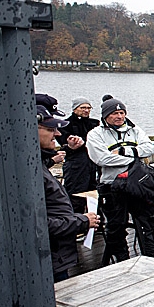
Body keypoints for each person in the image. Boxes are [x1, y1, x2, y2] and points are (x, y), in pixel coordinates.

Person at [86, 98, 154, 262]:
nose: (119, 116)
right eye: (115, 113)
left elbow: (149, 148)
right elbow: (102, 159)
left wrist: (124, 152)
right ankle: (122, 259)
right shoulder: (95, 134)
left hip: (138, 185)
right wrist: (135, 159)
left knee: (153, 222)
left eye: (122, 113)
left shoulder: (135, 130)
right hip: (112, 186)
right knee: (116, 226)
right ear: (106, 116)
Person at [38, 105, 99, 281]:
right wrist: (81, 221)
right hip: (48, 256)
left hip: (57, 256)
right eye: (50, 129)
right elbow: (37, 224)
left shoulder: (38, 164)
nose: (57, 134)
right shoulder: (27, 172)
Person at [62, 97, 100, 213]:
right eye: (83, 108)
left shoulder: (95, 123)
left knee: (94, 194)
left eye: (88, 108)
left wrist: (83, 141)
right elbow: (63, 145)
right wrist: (71, 145)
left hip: (93, 163)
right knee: (75, 195)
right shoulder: (65, 125)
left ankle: (97, 223)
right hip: (75, 165)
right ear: (75, 109)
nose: (86, 110)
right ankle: (75, 221)